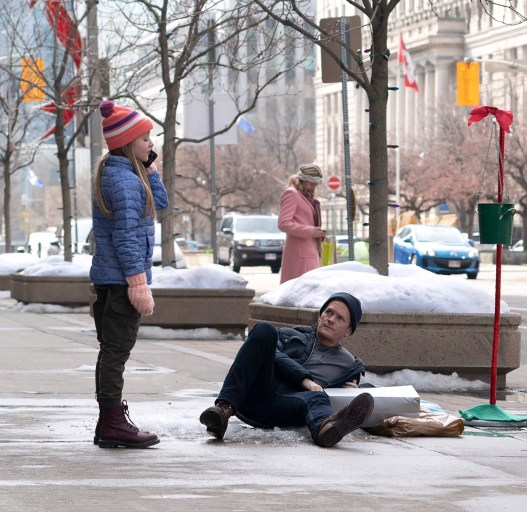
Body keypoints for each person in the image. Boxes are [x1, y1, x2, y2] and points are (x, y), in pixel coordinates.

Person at [90, 100, 168, 448]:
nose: (151, 144)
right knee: (116, 352)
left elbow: (160, 204)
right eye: (145, 139)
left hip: (111, 279)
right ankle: (112, 423)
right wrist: (138, 283)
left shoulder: (126, 176)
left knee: (111, 351)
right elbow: (126, 237)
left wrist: (151, 170)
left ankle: (108, 422)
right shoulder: (124, 183)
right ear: (127, 142)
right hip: (122, 281)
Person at [199, 292, 375, 447]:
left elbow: (371, 396)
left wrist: (355, 392)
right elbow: (272, 355)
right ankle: (223, 411)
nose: (331, 319)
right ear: (320, 316)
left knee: (316, 397)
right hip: (256, 394)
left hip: (288, 406)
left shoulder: (348, 364)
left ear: (348, 331)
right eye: (329, 312)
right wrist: (304, 379)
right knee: (264, 329)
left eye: (340, 318)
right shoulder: (290, 335)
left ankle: (326, 430)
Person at [278, 163, 326, 283]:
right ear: (303, 180)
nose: (314, 187)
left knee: (310, 290)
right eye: (311, 183)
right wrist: (310, 231)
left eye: (316, 184)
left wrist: (318, 232)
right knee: (301, 291)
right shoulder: (292, 193)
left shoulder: (307, 196)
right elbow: (283, 223)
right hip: (299, 253)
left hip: (311, 249)